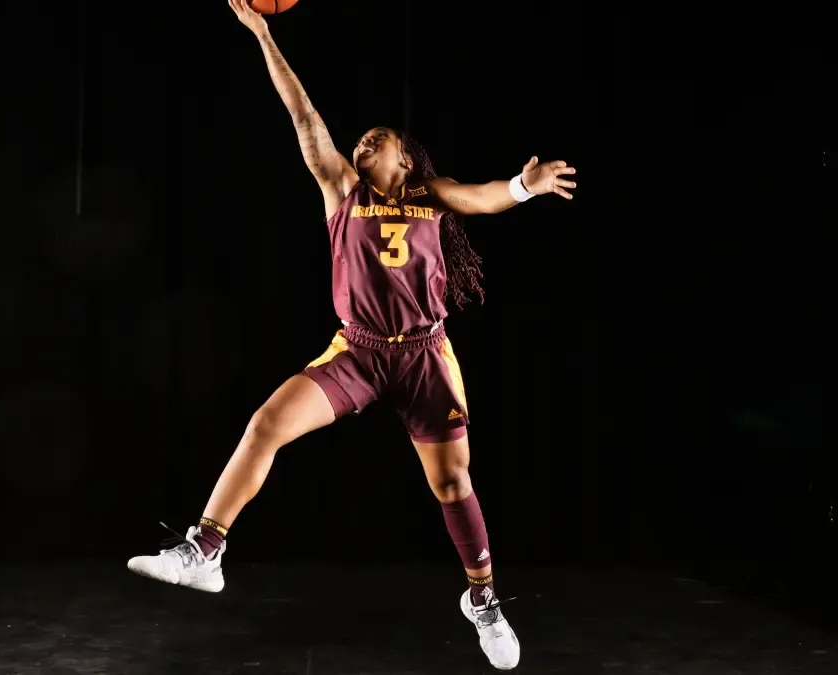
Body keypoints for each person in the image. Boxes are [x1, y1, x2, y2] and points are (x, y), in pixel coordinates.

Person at [127, 1, 576, 670]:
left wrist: (524, 185)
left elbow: (486, 197)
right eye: (361, 140)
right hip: (359, 352)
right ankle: (206, 549)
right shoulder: (341, 189)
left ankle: (482, 598)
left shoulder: (431, 193)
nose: (365, 142)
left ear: (406, 157)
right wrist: (264, 35)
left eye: (378, 138)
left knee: (454, 485)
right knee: (265, 425)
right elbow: (305, 118)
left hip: (424, 355)